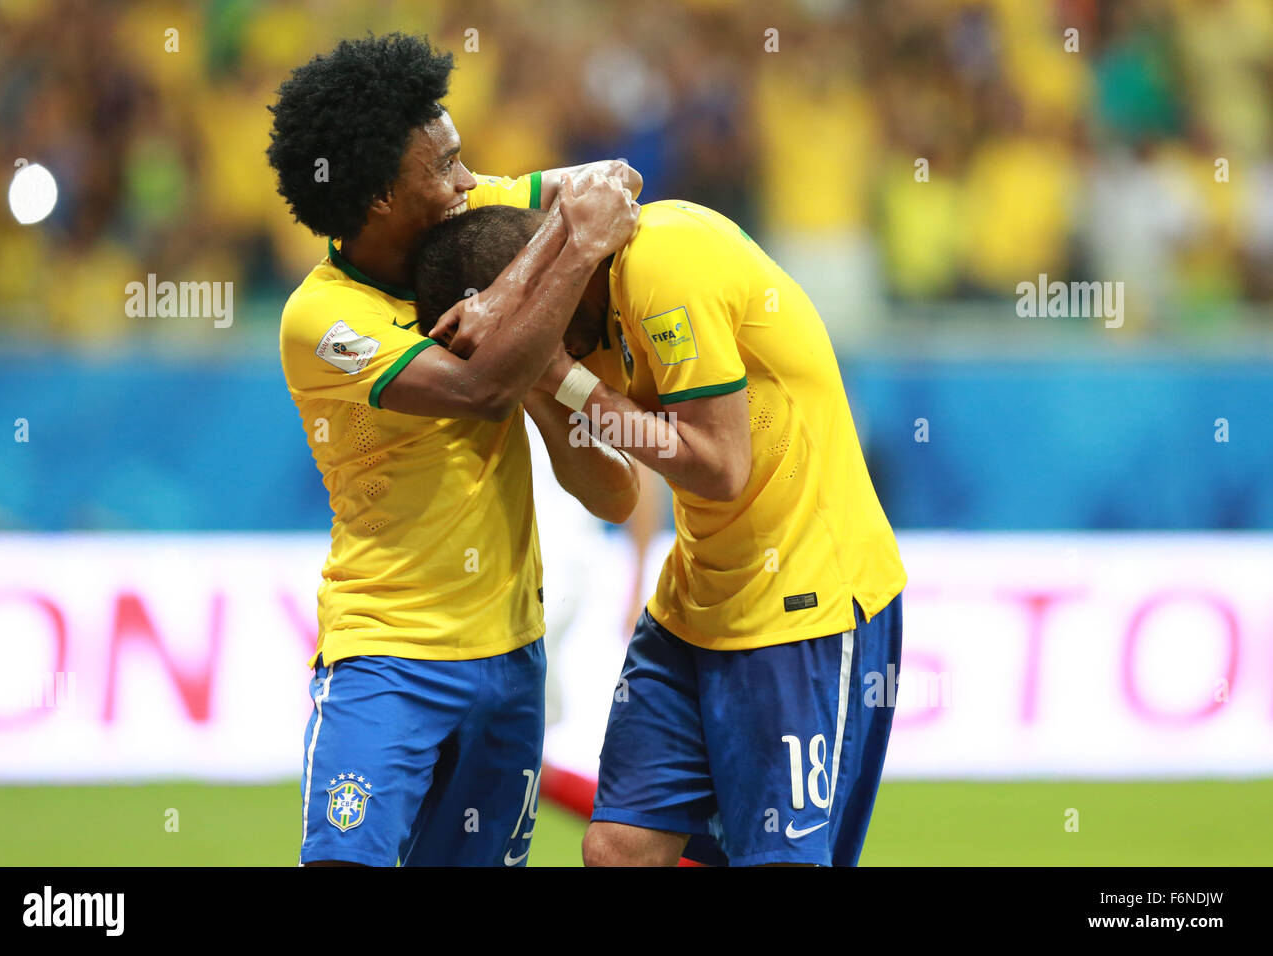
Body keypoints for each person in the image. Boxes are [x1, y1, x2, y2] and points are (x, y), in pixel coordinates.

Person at [412, 198, 907, 866]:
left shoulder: (665, 263)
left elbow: (722, 468)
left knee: (780, 856)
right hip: (695, 601)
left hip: (806, 597)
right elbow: (611, 494)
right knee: (619, 849)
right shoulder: (572, 328)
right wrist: (537, 380)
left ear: (533, 289)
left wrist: (562, 378)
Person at [267, 32, 640, 867]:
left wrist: (508, 287)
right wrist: (568, 251)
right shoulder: (321, 320)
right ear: (376, 201)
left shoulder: (475, 220)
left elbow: (617, 182)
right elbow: (480, 390)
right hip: (388, 657)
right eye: (445, 167)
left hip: (512, 658)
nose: (472, 182)